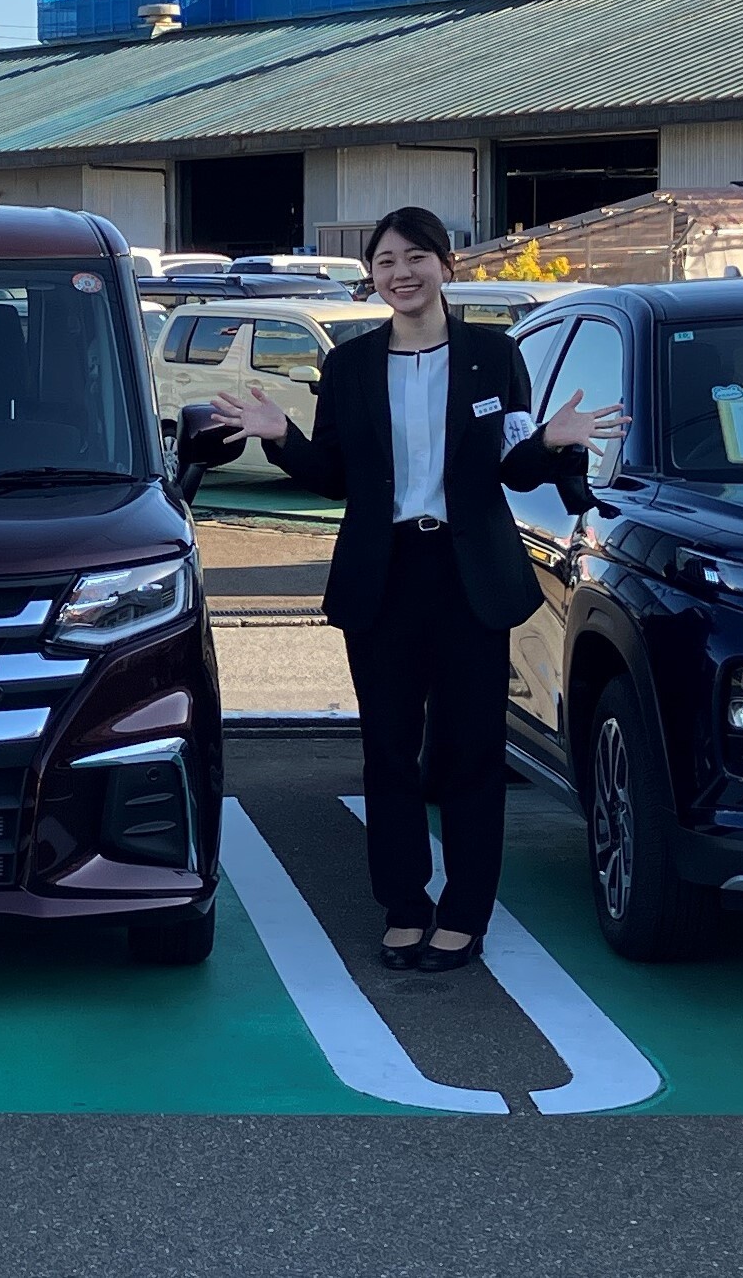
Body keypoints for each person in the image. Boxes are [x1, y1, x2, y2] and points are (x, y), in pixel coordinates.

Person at [213, 206, 620, 975]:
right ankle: (403, 906)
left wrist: (548, 442)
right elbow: (334, 477)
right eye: (386, 261)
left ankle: (464, 914)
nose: (401, 273)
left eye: (415, 257)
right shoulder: (350, 366)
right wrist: (281, 436)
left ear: (445, 265)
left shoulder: (493, 356)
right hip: (384, 574)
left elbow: (512, 469)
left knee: (472, 753)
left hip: (470, 578)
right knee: (389, 752)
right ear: (373, 276)